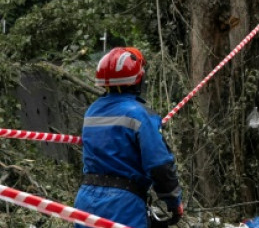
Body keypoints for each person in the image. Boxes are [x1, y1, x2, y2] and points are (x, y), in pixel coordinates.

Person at [75, 47, 184, 228]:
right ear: (138, 80)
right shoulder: (140, 115)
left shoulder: (91, 111)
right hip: (123, 205)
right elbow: (159, 165)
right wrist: (174, 201)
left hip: (85, 202)